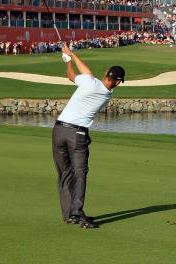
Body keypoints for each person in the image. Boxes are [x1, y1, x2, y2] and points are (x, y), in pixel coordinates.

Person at [52, 44, 125, 229]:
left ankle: (70, 214)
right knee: (80, 173)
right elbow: (86, 72)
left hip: (59, 130)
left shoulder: (91, 83)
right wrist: (71, 56)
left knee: (65, 173)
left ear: (107, 73)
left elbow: (73, 75)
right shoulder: (106, 93)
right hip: (77, 135)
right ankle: (76, 211)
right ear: (117, 82)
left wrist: (69, 59)